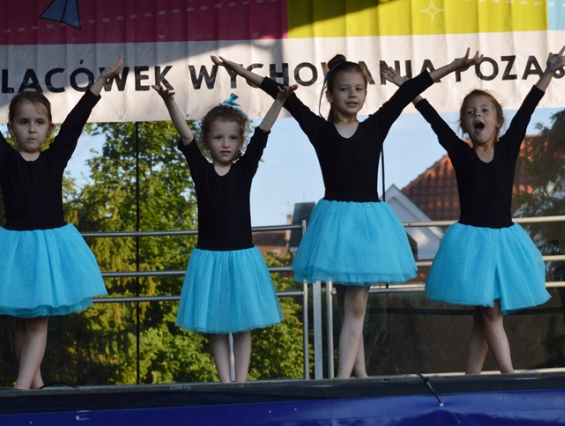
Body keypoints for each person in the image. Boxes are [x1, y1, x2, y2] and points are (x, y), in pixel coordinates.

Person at [211, 50, 480, 379]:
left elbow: (410, 90)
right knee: (348, 307)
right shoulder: (320, 130)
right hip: (335, 228)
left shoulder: (375, 125)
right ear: (330, 94)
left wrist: (454, 65)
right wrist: (237, 69)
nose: (353, 95)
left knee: (355, 306)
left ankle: (341, 381)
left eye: (359, 89)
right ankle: (360, 376)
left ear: (366, 93)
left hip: (369, 228)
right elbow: (276, 90)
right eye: (344, 89)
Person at [384, 45, 565, 374]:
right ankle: (508, 375)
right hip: (471, 243)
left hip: (503, 241)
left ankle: (471, 378)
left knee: (485, 315)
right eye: (471, 112)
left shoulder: (508, 148)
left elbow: (529, 107)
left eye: (485, 110)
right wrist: (408, 88)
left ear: (498, 121)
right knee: (489, 313)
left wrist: (548, 72)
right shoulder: (460, 154)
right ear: (464, 125)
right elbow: (432, 118)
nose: (478, 115)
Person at [152, 83, 296, 383]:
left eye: (232, 138)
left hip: (242, 257)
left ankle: (241, 383)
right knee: (216, 324)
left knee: (243, 324)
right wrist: (169, 102)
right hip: (209, 258)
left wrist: (279, 100)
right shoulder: (201, 170)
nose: (226, 144)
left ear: (241, 142)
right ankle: (225, 382)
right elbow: (185, 136)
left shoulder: (244, 169)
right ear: (207, 141)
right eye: (218, 137)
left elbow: (263, 133)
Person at [0, 55, 124, 390]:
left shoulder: (55, 156)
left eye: (39, 122)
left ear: (49, 129)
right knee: (22, 321)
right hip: (15, 247)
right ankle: (36, 386)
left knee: (37, 320)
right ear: (10, 129)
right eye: (23, 122)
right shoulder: (6, 160)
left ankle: (20, 389)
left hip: (49, 248)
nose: (31, 129)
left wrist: (99, 82)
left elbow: (76, 121)